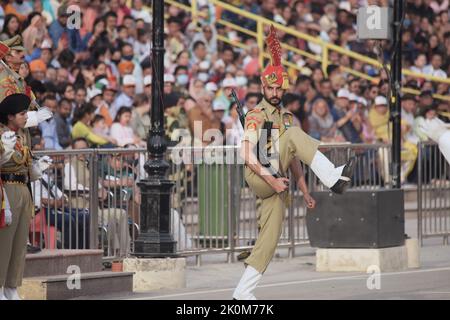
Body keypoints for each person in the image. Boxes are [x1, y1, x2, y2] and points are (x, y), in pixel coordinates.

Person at [233, 26, 355, 300]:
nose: (275, 92)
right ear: (263, 87)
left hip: (278, 176)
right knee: (295, 133)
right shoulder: (255, 114)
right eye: (270, 87)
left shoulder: (285, 117)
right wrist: (271, 179)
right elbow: (246, 154)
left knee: (269, 240)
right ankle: (332, 177)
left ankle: (242, 293)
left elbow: (293, 157)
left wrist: (304, 190)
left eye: (279, 87)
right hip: (260, 174)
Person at [0, 93, 51, 300]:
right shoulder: (3, 135)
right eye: (22, 114)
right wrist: (5, 151)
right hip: (6, 188)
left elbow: (28, 168)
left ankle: (12, 286)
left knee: (19, 244)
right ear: (10, 116)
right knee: (4, 242)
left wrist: (38, 168)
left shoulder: (21, 137)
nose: (25, 117)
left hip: (23, 188)